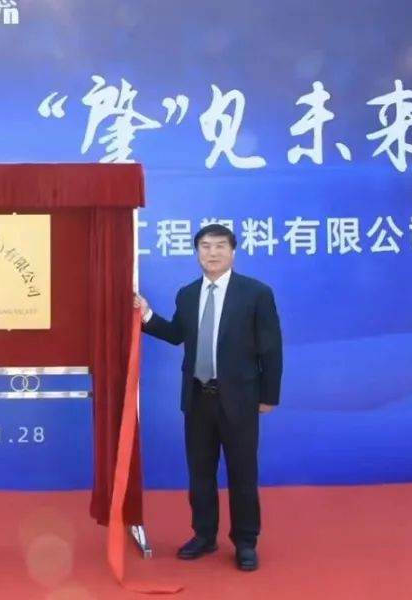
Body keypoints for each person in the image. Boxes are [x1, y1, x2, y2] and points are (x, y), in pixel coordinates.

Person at [135, 223, 282, 572]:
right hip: (198, 397)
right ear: (196, 252)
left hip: (240, 399)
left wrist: (268, 396)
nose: (212, 253)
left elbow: (271, 349)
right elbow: (176, 334)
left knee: (242, 473)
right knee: (200, 472)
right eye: (205, 246)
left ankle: (245, 542)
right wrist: (146, 315)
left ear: (233, 252)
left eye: (219, 246)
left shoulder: (256, 293)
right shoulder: (187, 294)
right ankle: (204, 535)